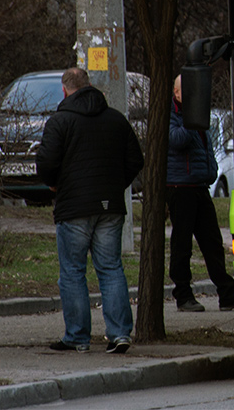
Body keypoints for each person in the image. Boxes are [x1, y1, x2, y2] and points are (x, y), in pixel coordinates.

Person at [36, 67, 144, 354]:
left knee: (72, 272)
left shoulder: (60, 121)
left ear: (64, 90)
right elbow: (136, 159)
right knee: (110, 269)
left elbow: (45, 163)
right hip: (110, 206)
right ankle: (119, 333)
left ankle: (78, 336)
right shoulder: (116, 119)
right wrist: (115, 184)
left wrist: (55, 185)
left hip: (73, 207)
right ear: (90, 86)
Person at [168, 74, 234, 312]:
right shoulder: (173, 116)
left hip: (199, 185)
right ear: (176, 93)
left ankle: (227, 294)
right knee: (182, 244)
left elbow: (206, 147)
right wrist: (191, 117)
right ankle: (183, 294)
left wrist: (212, 170)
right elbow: (176, 140)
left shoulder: (195, 115)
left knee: (213, 243)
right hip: (180, 188)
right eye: (186, 92)